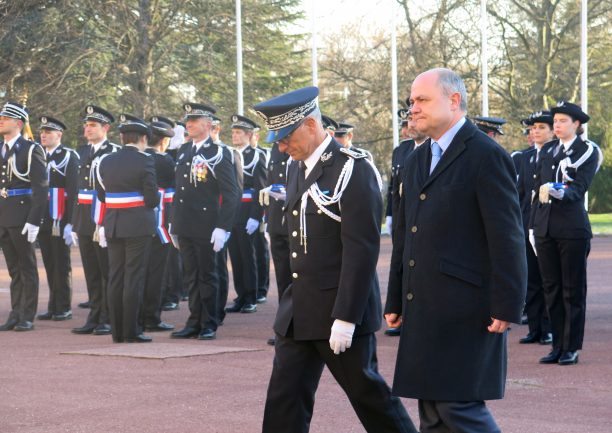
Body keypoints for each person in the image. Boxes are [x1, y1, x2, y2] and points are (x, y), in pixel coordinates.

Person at [255, 86, 417, 433]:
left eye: (286, 138)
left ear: (311, 125)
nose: (281, 147)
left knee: (370, 398)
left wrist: (346, 317)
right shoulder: (296, 167)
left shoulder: (352, 169)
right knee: (284, 402)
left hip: (338, 312)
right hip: (298, 311)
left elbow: (361, 250)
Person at [385, 68, 526, 433]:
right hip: (424, 305)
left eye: (422, 100)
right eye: (411, 101)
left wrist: (507, 303)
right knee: (431, 411)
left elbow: (507, 237)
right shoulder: (416, 159)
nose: (412, 108)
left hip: (466, 308)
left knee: (458, 407)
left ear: (454, 100)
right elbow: (405, 234)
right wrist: (395, 298)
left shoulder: (485, 155)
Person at [530, 101, 598, 365]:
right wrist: (534, 226)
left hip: (571, 228)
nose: (556, 126)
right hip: (546, 227)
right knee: (551, 288)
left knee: (572, 290)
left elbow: (579, 187)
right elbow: (537, 192)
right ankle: (557, 344)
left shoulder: (586, 150)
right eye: (555, 121)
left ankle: (571, 346)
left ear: (576, 124)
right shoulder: (547, 150)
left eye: (562, 121)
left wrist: (561, 191)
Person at [170, 103, 240, 341]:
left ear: (209, 125)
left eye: (195, 120)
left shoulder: (218, 153)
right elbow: (179, 191)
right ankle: (194, 320)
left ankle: (208, 322)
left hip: (207, 225)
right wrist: (173, 223)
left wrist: (223, 227)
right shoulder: (184, 151)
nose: (188, 123)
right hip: (185, 224)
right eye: (187, 119)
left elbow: (231, 194)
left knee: (208, 275)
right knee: (191, 275)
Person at [95, 114, 158, 343]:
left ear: (121, 138)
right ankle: (132, 331)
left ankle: (117, 331)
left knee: (116, 277)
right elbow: (152, 199)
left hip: (113, 223)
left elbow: (102, 194)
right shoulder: (145, 160)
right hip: (138, 225)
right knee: (134, 278)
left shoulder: (105, 160)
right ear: (142, 138)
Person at [71, 105, 119, 336]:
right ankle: (94, 314)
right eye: (86, 125)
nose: (87, 129)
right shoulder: (81, 152)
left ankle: (108, 317)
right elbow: (75, 189)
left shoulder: (114, 153)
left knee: (106, 270)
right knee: (91, 271)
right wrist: (73, 222)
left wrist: (106, 222)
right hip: (84, 218)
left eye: (92, 125)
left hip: (104, 217)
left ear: (106, 128)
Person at [0, 101, 48, 332]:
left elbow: (41, 189)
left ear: (18, 123)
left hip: (22, 216)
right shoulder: (1, 148)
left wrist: (33, 220)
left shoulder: (31, 150)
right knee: (13, 268)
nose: (1, 120)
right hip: (4, 216)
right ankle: (15, 312)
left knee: (27, 266)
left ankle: (27, 315)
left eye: (5, 118)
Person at [384, 108, 427, 337]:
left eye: (413, 119)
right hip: (404, 215)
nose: (411, 124)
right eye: (408, 120)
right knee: (401, 261)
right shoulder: (402, 151)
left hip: (422, 221)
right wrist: (391, 213)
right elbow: (395, 187)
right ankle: (401, 313)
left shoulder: (434, 152)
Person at [516, 111, 554, 345]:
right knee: (530, 278)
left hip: (546, 226)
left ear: (551, 131)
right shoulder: (525, 157)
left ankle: (548, 328)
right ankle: (535, 328)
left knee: (547, 278)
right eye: (533, 128)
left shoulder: (556, 155)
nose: (535, 131)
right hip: (527, 224)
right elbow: (520, 193)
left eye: (541, 127)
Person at [36, 116, 79, 322]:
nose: (43, 135)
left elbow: (73, 190)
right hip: (43, 217)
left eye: (48, 132)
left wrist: (71, 221)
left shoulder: (69, 156)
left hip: (60, 218)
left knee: (61, 262)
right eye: (42, 131)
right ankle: (53, 305)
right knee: (49, 262)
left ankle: (63, 306)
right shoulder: (37, 154)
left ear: (59, 135)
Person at [224, 114, 267, 314]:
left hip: (248, 211)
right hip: (232, 212)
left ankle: (251, 295)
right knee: (236, 257)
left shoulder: (257, 156)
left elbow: (261, 189)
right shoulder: (229, 154)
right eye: (233, 132)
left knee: (249, 257)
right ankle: (241, 295)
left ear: (249, 135)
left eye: (238, 132)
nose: (234, 136)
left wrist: (256, 216)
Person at [139, 116, 177, 333]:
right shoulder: (165, 161)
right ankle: (152, 317)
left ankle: (137, 315)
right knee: (156, 273)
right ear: (164, 142)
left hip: (137, 223)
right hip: (160, 224)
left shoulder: (139, 159)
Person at [209, 114, 244, 326]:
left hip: (221, 218)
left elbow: (236, 190)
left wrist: (227, 223)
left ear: (216, 130)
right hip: (201, 219)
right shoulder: (196, 152)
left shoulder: (228, 153)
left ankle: (217, 309)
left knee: (218, 267)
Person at [258, 138, 291, 346]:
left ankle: (301, 326)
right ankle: (285, 327)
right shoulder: (276, 149)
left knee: (301, 279)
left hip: (297, 223)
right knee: (283, 278)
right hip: (278, 223)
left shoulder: (304, 145)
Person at [250, 127, 271, 304]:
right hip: (244, 210)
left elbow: (263, 186)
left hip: (262, 207)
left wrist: (261, 214)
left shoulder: (262, 154)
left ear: (255, 136)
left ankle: (261, 288)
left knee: (260, 248)